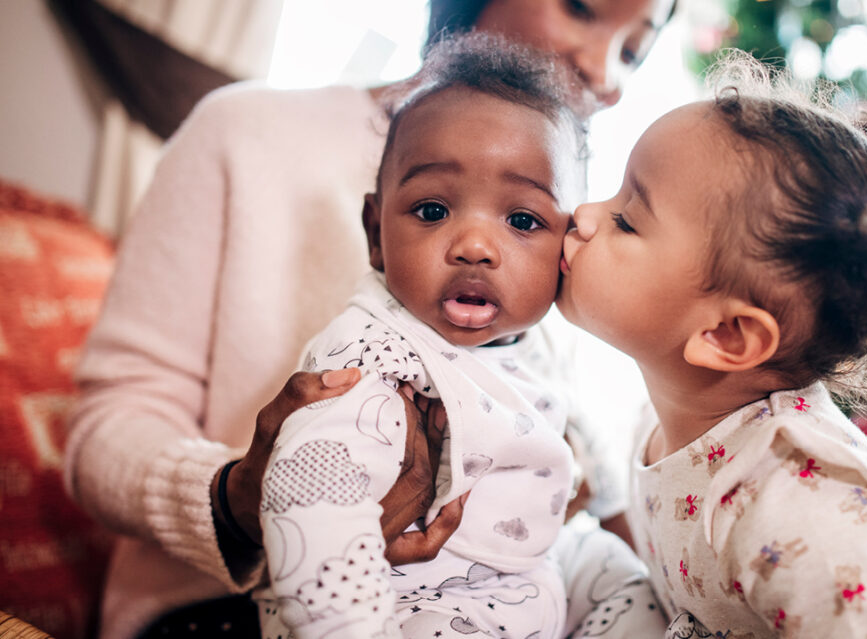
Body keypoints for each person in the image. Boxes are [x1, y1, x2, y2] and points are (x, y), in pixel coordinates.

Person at [64, 0, 675, 637]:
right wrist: (239, 501)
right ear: (375, 229)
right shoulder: (244, 133)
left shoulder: (554, 230)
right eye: (582, 9)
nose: (604, 72)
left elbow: (577, 447)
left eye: (634, 50)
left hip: (505, 590)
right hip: (225, 608)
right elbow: (104, 430)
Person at [254, 34, 663, 639]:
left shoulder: (537, 343)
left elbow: (590, 469)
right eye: (432, 210)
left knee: (636, 592)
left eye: (523, 220)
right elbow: (310, 496)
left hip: (532, 572)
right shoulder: (375, 358)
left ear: (568, 249)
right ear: (375, 233)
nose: (474, 245)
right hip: (417, 600)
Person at [554, 54, 867, 636]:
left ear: (728, 335)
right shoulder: (667, 418)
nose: (584, 215)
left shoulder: (794, 498)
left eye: (626, 220)